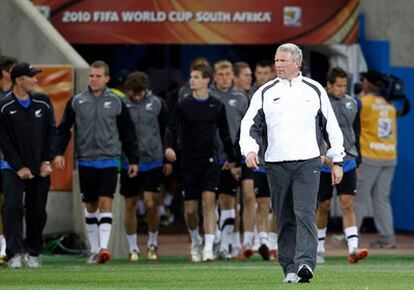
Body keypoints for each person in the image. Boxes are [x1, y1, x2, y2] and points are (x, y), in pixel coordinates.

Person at [240, 43, 345, 283]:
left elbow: (332, 127)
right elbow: (249, 126)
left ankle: (306, 264)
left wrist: (337, 160)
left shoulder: (314, 89)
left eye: (283, 61)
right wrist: (249, 150)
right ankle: (288, 267)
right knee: (284, 217)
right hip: (275, 164)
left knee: (306, 213)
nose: (278, 65)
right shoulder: (264, 92)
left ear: (297, 63)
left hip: (308, 162)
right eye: (276, 61)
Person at [54, 60, 139, 264]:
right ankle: (93, 249)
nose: (93, 79)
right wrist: (58, 153)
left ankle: (103, 248)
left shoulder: (118, 102)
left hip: (109, 160)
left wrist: (133, 160)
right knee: (90, 205)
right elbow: (64, 128)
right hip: (85, 160)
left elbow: (128, 133)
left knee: (105, 202)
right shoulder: (77, 101)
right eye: (91, 75)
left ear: (107, 78)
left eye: (98, 76)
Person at [164, 63, 235, 262]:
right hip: (188, 161)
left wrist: (232, 160)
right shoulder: (183, 105)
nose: (191, 80)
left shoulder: (216, 105)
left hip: (210, 161)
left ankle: (209, 248)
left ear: (206, 80)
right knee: (190, 209)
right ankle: (196, 242)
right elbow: (171, 128)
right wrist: (168, 147)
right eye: (191, 76)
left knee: (209, 202)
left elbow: (225, 134)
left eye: (196, 77)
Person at [0, 63, 56, 268]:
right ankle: (13, 254)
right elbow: (3, 140)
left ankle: (33, 253)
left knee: (37, 211)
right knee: (12, 207)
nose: (35, 80)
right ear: (19, 80)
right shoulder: (4, 106)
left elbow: (52, 132)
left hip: (40, 167)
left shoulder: (43, 102)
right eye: (31, 76)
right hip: (11, 168)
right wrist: (18, 167)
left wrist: (46, 161)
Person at [316, 67, 368, 264]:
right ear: (329, 85)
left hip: (348, 161)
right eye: (338, 86)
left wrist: (359, 157)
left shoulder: (352, 102)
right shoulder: (319, 103)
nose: (342, 89)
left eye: (344, 86)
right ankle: (319, 248)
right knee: (323, 205)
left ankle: (353, 248)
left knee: (348, 203)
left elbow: (356, 130)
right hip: (325, 163)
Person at [120, 71, 170, 261]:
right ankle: (133, 248)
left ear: (146, 90)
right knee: (130, 204)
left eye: (140, 93)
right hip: (128, 161)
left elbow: (166, 130)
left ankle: (152, 243)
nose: (137, 96)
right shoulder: (122, 104)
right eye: (134, 93)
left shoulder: (157, 103)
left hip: (153, 160)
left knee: (151, 203)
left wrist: (167, 158)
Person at [354, 70, 397, 249]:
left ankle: (351, 236)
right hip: (389, 155)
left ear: (367, 84)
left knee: (360, 199)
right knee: (382, 199)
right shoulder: (389, 105)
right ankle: (387, 238)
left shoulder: (364, 103)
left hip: (370, 156)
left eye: (364, 80)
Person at [210, 60, 249, 259]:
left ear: (232, 76)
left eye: (227, 75)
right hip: (209, 157)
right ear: (214, 76)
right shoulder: (207, 96)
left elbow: (246, 130)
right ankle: (215, 237)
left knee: (228, 200)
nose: (224, 78)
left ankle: (225, 245)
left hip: (231, 158)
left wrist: (237, 159)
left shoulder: (241, 98)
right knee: (208, 202)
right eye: (220, 74)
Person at [0, 55, 18, 264]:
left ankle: (7, 247)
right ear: (6, 72)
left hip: (11, 159)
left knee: (10, 204)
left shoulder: (19, 96)